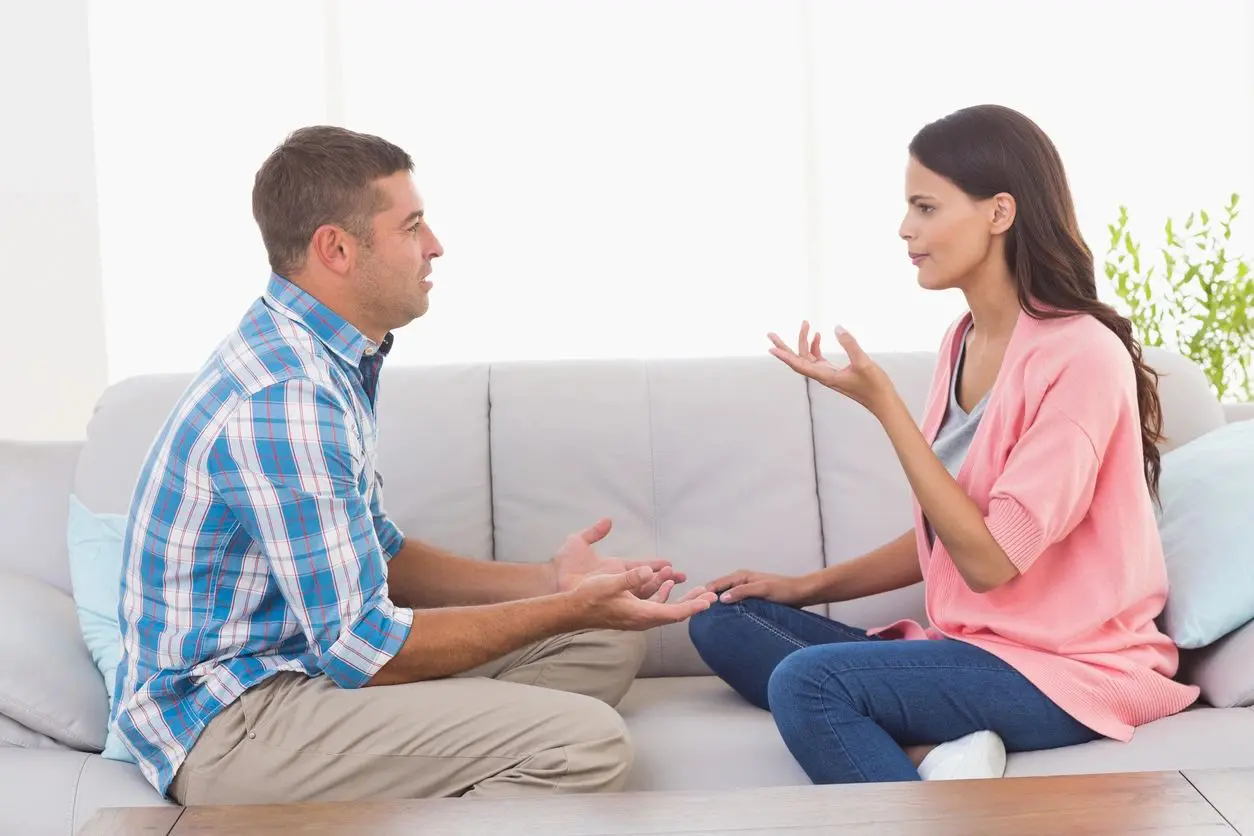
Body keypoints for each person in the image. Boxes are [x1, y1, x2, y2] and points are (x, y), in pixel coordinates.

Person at [112, 125, 716, 806]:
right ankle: (466, 761)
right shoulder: (286, 399)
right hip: (230, 726)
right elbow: (364, 647)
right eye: (412, 227)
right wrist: (557, 608)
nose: (435, 247)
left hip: (305, 670)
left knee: (603, 640)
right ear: (336, 249)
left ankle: (433, 761)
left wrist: (553, 584)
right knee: (587, 740)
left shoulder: (325, 358)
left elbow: (380, 552)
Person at [688, 104, 1201, 784]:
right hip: (973, 649)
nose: (906, 229)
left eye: (926, 208)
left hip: (1069, 669)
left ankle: (925, 777)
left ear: (999, 212)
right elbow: (949, 534)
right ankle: (937, 758)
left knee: (809, 684)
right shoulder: (961, 341)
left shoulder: (1080, 356)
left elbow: (989, 562)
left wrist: (885, 409)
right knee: (722, 621)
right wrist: (805, 588)